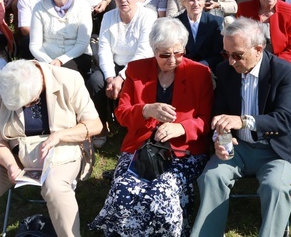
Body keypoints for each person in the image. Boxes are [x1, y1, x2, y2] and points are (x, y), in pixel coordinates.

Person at [90, 18, 213, 236]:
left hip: (182, 151)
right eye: (165, 54)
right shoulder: (136, 70)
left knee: (163, 191)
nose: (172, 60)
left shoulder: (199, 73)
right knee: (124, 189)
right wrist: (145, 110)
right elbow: (121, 114)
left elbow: (206, 119)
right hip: (141, 147)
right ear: (153, 50)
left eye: (178, 53)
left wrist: (181, 128)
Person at [191, 18, 291, 237]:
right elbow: (219, 114)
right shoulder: (224, 71)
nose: (231, 61)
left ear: (258, 50)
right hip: (238, 148)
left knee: (275, 187)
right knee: (211, 178)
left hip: (275, 151)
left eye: (237, 55)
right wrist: (221, 140)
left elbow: (286, 119)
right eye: (226, 54)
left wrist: (243, 121)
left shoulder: (284, 72)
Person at [0, 60, 103, 237]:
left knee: (55, 188)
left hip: (62, 150)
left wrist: (60, 135)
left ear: (40, 83)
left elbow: (95, 125)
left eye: (29, 103)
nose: (24, 109)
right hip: (14, 155)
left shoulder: (69, 79)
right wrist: (10, 164)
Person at [94, 0, 156, 125]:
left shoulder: (148, 16)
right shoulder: (108, 16)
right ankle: (100, 125)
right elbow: (104, 49)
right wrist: (110, 77)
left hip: (140, 65)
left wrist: (121, 77)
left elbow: (144, 52)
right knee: (95, 81)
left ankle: (131, 125)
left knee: (132, 83)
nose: (123, 0)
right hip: (115, 64)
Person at [29, 0, 92, 71]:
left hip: (76, 56)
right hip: (47, 57)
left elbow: (82, 43)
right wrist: (49, 62)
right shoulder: (39, 7)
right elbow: (35, 45)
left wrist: (60, 60)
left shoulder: (83, 6)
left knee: (63, 74)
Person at [175, 0, 224, 69]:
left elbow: (218, 55)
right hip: (182, 68)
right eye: (191, 0)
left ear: (204, 1)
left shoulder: (215, 22)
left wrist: (198, 66)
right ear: (183, 2)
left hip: (208, 70)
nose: (196, 3)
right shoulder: (176, 23)